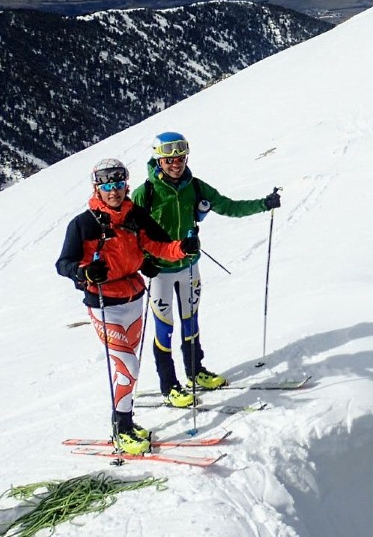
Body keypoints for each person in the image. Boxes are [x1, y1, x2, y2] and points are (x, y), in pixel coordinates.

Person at [55, 158, 197, 455]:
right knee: (128, 366)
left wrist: (181, 249)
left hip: (133, 298)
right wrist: (83, 273)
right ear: (98, 187)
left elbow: (158, 245)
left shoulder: (135, 216)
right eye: (107, 185)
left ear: (125, 185)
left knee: (128, 369)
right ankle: (121, 427)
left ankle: (126, 423)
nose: (114, 191)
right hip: (104, 304)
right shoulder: (83, 224)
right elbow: (64, 263)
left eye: (118, 184)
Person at [131, 131, 281, 407]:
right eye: (169, 159)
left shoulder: (196, 187)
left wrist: (263, 204)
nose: (176, 164)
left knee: (191, 320)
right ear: (158, 160)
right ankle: (169, 385)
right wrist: (143, 261)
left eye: (180, 158)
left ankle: (195, 371)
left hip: (189, 266)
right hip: (160, 271)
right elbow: (130, 232)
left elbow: (228, 206)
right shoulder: (145, 193)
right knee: (164, 327)